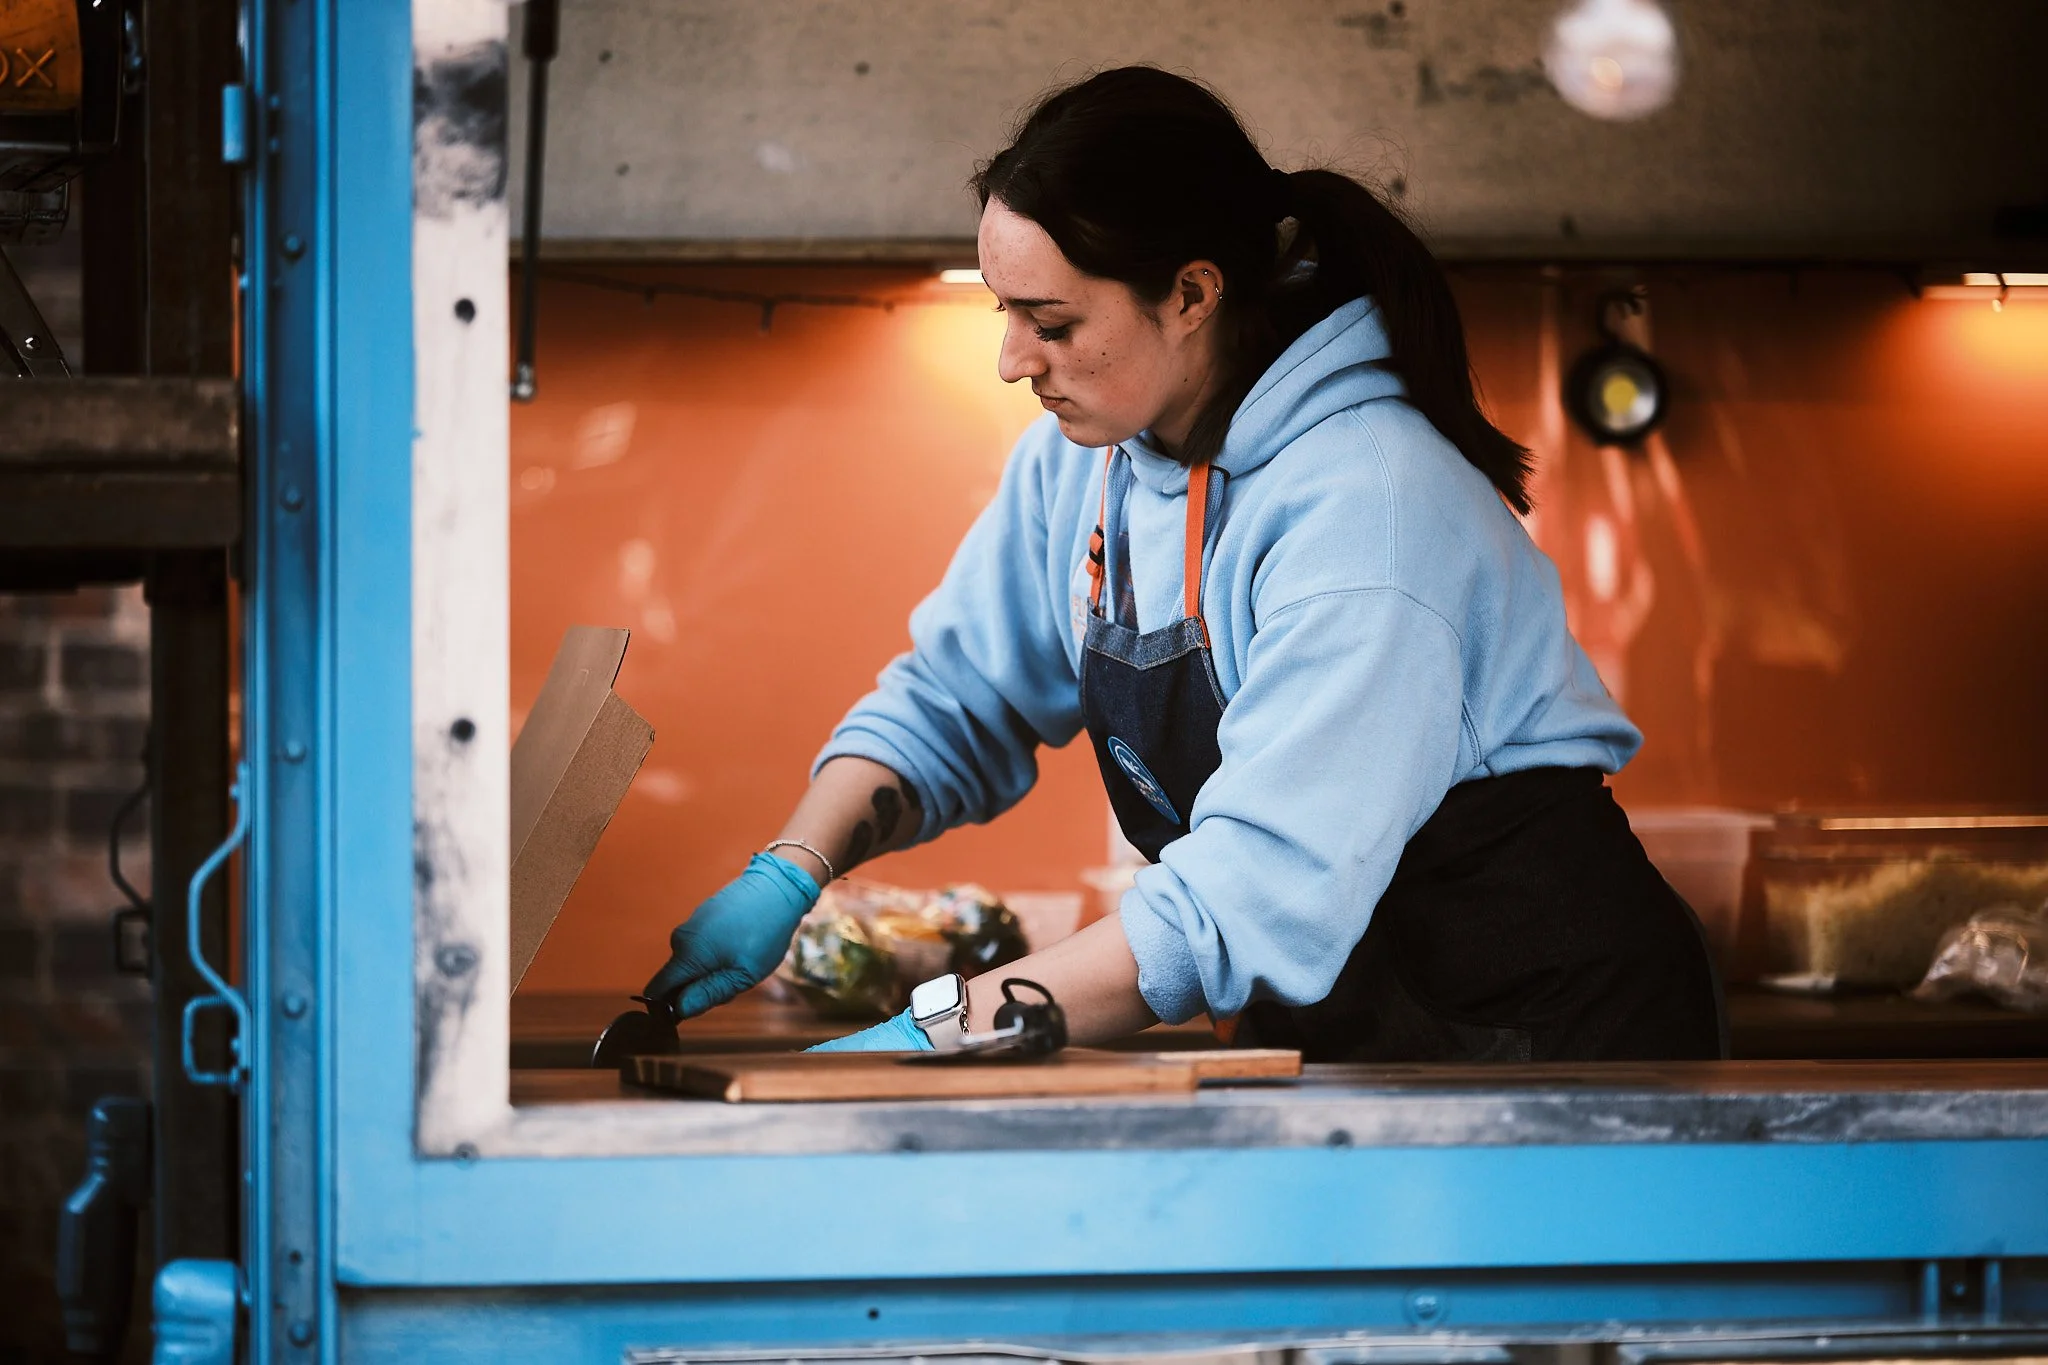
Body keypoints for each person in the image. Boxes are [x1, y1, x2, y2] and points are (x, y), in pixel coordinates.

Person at [642, 67, 1724, 1062]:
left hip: (1555, 1047)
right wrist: (792, 866)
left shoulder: (1368, 511)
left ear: (1193, 294)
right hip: (1341, 1031)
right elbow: (957, 696)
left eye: (1050, 320)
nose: (1013, 360)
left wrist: (937, 1034)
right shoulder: (1087, 461)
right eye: (1002, 310)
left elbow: (1245, 895)